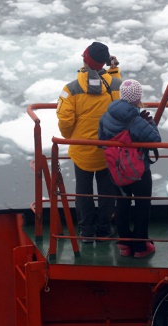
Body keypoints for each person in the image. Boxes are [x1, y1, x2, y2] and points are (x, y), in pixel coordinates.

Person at [56, 41, 122, 242]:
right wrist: (114, 71)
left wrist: (72, 138)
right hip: (107, 150)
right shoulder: (116, 85)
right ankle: (104, 229)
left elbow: (65, 121)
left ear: (86, 59)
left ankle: (86, 232)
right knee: (106, 192)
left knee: (83, 192)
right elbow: (118, 96)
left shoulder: (70, 89)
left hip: (82, 151)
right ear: (103, 62)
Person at [98, 79, 161, 258]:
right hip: (137, 171)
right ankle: (141, 247)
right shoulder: (135, 120)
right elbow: (155, 140)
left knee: (122, 202)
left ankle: (124, 244)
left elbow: (101, 140)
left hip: (116, 170)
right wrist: (150, 122)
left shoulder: (107, 115)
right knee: (142, 204)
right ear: (138, 98)